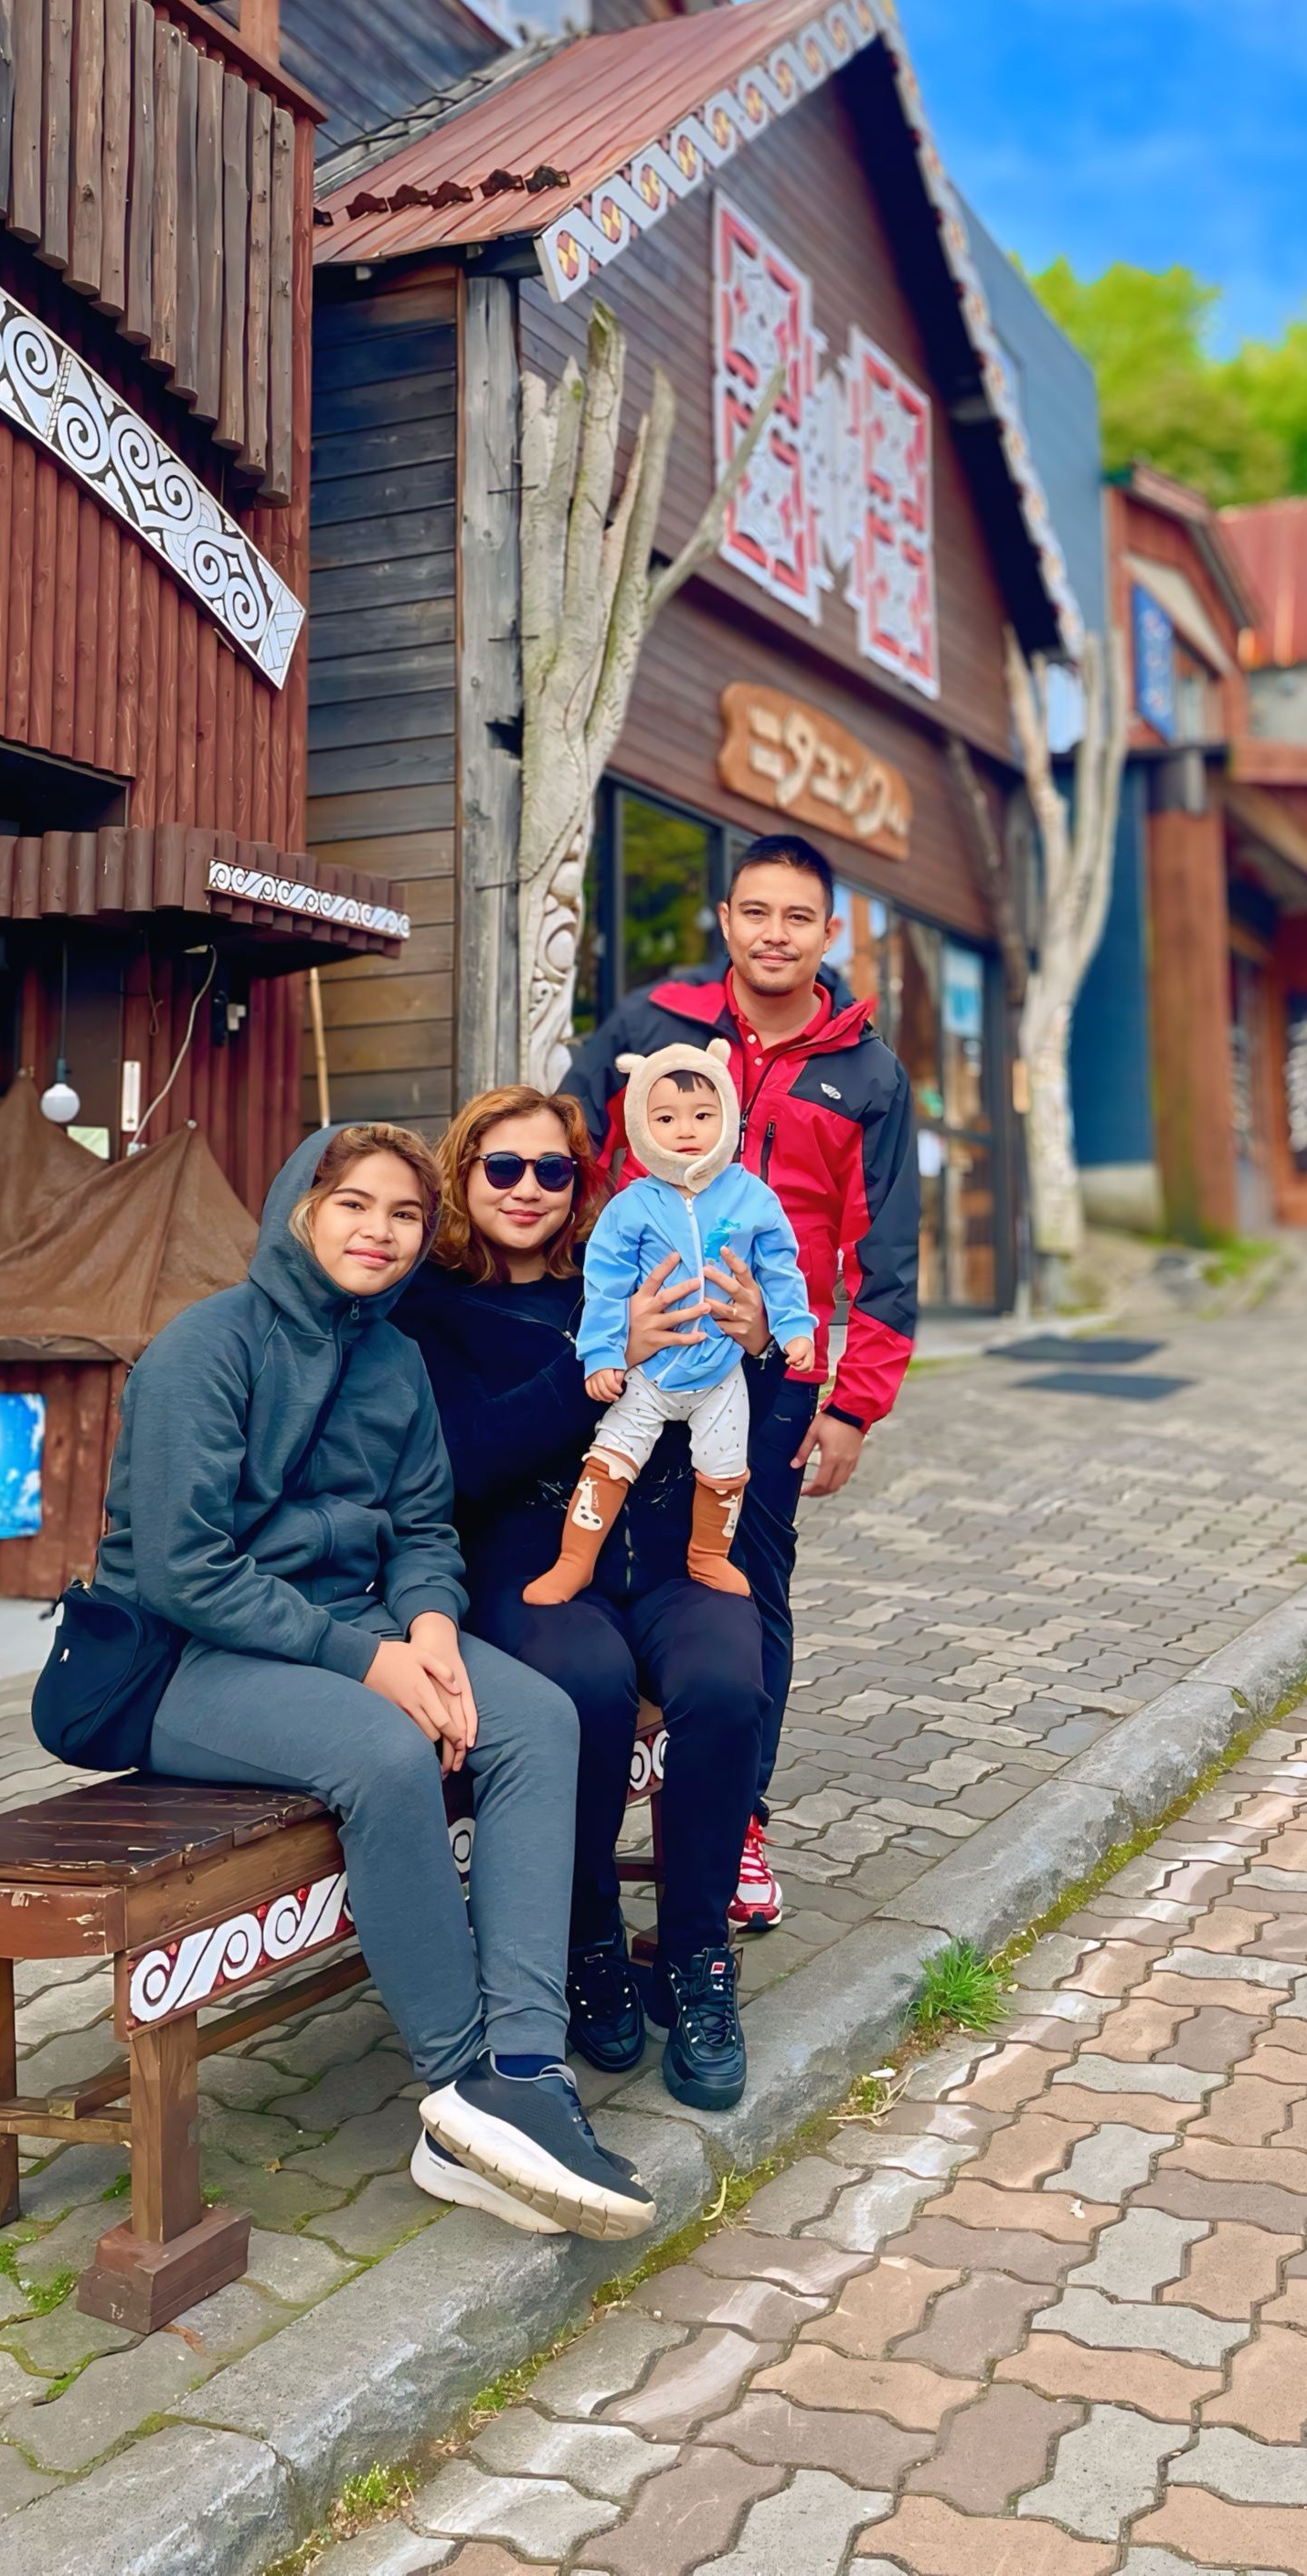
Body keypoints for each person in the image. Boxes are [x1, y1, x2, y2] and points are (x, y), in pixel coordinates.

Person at [84, 1123, 653, 2245]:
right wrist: (376, 1662)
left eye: (403, 1215)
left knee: (534, 1717)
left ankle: (528, 2068)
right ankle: (458, 2094)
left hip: (356, 1632)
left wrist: (433, 1626)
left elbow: (422, 1525)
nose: (380, 1233)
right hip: (185, 1659)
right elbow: (185, 1569)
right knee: (385, 1751)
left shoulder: (393, 1358)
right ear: (301, 1208)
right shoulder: (208, 1348)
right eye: (353, 1205)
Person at [570, 830, 919, 1935]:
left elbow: (887, 1258)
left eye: (798, 917)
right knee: (587, 1556)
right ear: (726, 921)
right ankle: (566, 1806)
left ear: (829, 933)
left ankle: (739, 1818)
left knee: (744, 1587)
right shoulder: (653, 1027)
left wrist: (855, 1402)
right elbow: (564, 1163)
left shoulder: (866, 1074)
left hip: (769, 1379)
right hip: (629, 1359)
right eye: (755, 912)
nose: (775, 934)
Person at [393, 1084, 764, 2112]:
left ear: (580, 1181)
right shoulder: (428, 1309)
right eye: (500, 1167)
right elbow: (458, 1464)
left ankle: (696, 1957)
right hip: (525, 1574)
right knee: (587, 1687)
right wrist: (601, 1360)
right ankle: (588, 1931)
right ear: (464, 1177)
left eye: (552, 1170)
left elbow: (727, 1400)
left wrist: (762, 1339)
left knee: (732, 1680)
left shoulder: (625, 1274)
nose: (527, 1189)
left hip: (659, 1562)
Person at [528, 1041, 814, 1604]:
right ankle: (575, 1560)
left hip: (721, 1371)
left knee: (726, 1466)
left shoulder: (751, 1196)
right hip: (649, 1373)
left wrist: (794, 1327)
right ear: (640, 1122)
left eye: (703, 1115)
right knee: (610, 1457)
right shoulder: (632, 1204)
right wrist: (604, 1354)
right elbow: (606, 1284)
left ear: (728, 1115)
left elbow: (780, 1266)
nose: (686, 1129)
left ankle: (709, 1558)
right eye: (665, 1117)